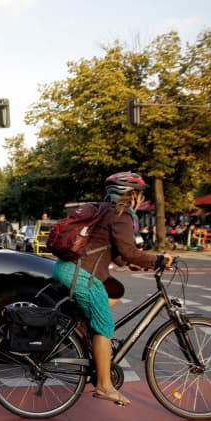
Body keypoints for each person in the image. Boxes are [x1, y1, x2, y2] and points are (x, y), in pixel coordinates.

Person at [52, 171, 172, 406]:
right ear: (131, 195)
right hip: (82, 274)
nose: (140, 198)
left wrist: (134, 262)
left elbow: (114, 252)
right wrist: (158, 260)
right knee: (105, 325)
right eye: (139, 193)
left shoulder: (104, 210)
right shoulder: (121, 213)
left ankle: (85, 331)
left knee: (115, 290)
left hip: (68, 269)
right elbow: (128, 251)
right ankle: (104, 386)